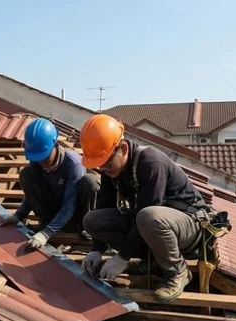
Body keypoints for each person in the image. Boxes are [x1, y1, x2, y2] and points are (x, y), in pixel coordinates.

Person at [79, 114, 212, 303]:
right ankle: (152, 262)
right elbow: (104, 203)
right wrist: (97, 250)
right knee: (92, 220)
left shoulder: (150, 163)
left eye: (107, 163)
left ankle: (178, 271)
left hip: (189, 227)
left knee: (148, 216)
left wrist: (122, 257)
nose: (105, 169)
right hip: (153, 227)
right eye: (101, 166)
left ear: (123, 149)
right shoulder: (112, 170)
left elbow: (149, 211)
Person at [0, 118, 100, 250]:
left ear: (55, 145)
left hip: (76, 215)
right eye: (38, 158)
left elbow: (71, 203)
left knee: (90, 181)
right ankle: (47, 222)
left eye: (45, 157)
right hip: (54, 212)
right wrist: (18, 215)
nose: (41, 162)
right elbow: (31, 193)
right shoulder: (37, 161)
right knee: (27, 173)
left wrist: (46, 234)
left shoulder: (73, 163)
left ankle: (86, 227)